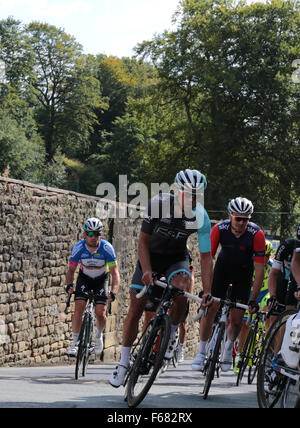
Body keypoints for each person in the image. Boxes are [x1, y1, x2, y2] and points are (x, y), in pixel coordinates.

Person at [109, 169, 214, 388]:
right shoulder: (158, 204)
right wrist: (147, 270)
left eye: (197, 195)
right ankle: (124, 362)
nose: (192, 199)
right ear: (177, 191)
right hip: (151, 257)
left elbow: (205, 257)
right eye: (187, 193)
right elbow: (143, 242)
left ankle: (172, 333)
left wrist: (207, 290)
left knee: (182, 287)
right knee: (136, 309)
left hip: (176, 259)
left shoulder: (201, 217)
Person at [192, 196, 266, 372]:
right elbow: (208, 259)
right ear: (230, 215)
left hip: (243, 274)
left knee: (237, 319)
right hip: (222, 271)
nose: (241, 223)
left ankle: (227, 349)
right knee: (211, 308)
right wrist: (207, 289)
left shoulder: (257, 234)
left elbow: (260, 270)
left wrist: (253, 299)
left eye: (245, 219)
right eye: (237, 218)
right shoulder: (219, 229)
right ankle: (201, 352)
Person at [66, 217, 120, 356]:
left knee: (100, 313)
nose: (93, 237)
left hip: (101, 279)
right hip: (85, 278)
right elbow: (71, 270)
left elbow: (115, 273)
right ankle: (75, 343)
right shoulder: (79, 248)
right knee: (78, 309)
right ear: (84, 234)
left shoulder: (107, 248)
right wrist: (69, 285)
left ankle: (98, 335)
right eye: (90, 233)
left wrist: (113, 292)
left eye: (97, 233)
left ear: (101, 234)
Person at [142, 248, 195, 363]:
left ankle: (168, 341)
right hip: (159, 282)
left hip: (175, 284)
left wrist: (187, 295)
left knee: (177, 316)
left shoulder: (186, 253)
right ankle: (144, 346)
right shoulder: (158, 245)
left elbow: (190, 275)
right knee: (149, 314)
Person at [233, 239, 273, 374]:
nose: (264, 258)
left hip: (265, 294)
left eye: (267, 256)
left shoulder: (272, 267)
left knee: (268, 311)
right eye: (262, 255)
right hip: (252, 294)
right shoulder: (250, 264)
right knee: (245, 326)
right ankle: (241, 355)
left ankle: (266, 337)